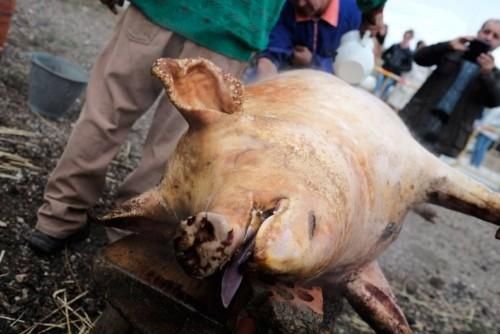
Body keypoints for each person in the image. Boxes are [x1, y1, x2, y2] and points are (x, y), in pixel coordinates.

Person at [28, 0, 287, 254]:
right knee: (175, 145)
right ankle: (128, 236)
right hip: (232, 25)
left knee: (104, 116)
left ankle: (59, 217)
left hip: (159, 10)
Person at [399, 19, 500, 158]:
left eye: (496, 36)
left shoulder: (493, 73)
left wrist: (487, 75)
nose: (489, 37)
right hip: (420, 116)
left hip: (448, 132)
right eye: (487, 32)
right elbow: (419, 58)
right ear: (479, 32)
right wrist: (448, 45)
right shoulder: (453, 50)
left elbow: (495, 101)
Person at [252, 0, 387, 80]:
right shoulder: (286, 8)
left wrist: (313, 61)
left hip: (330, 90)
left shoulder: (354, 12)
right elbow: (272, 54)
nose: (300, 3)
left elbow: (349, 68)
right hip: (290, 84)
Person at [386, 40, 433, 110]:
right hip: (404, 81)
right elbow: (406, 67)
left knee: (402, 104)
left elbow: (426, 75)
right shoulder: (411, 55)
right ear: (418, 47)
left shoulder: (428, 62)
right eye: (422, 47)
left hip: (414, 87)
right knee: (393, 101)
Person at [373, 29, 414, 101]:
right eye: (405, 36)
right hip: (384, 70)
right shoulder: (395, 46)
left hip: (395, 74)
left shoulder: (409, 53)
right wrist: (388, 60)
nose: (405, 38)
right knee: (377, 88)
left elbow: (409, 67)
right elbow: (384, 55)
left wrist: (399, 67)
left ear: (410, 38)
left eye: (408, 37)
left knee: (386, 91)